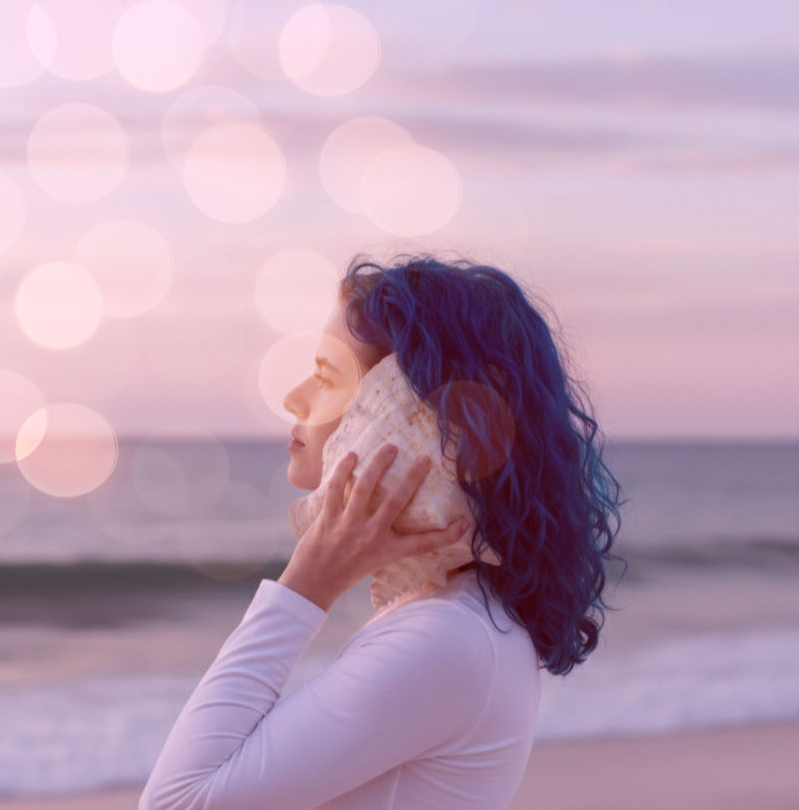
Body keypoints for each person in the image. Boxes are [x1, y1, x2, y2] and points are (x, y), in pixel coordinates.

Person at [138, 253, 625, 810]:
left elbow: (174, 803)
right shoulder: (456, 615)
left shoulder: (448, 639)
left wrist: (305, 585)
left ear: (408, 412)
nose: (292, 398)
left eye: (326, 376)